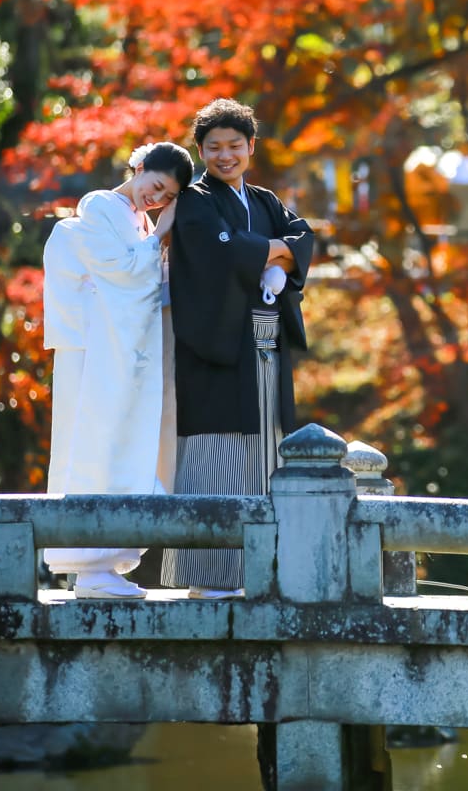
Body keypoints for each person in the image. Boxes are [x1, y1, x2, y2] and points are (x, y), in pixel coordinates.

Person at [161, 99, 314, 599]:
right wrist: (273, 251)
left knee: (265, 454)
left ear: (251, 147)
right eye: (213, 148)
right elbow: (219, 253)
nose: (224, 156)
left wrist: (271, 248)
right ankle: (209, 576)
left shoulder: (265, 199)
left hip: (266, 348)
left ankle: (259, 574)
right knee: (215, 456)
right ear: (200, 151)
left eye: (234, 146)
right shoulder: (196, 201)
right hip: (217, 350)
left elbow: (304, 236)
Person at [42, 141, 194, 599]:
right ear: (140, 166)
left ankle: (107, 562)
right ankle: (88, 564)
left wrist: (155, 235)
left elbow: (140, 279)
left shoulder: (140, 220)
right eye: (156, 185)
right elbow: (122, 273)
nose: (157, 199)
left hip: (116, 351)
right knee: (93, 442)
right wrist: (159, 234)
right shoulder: (101, 203)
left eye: (167, 196)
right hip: (94, 351)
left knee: (122, 444)